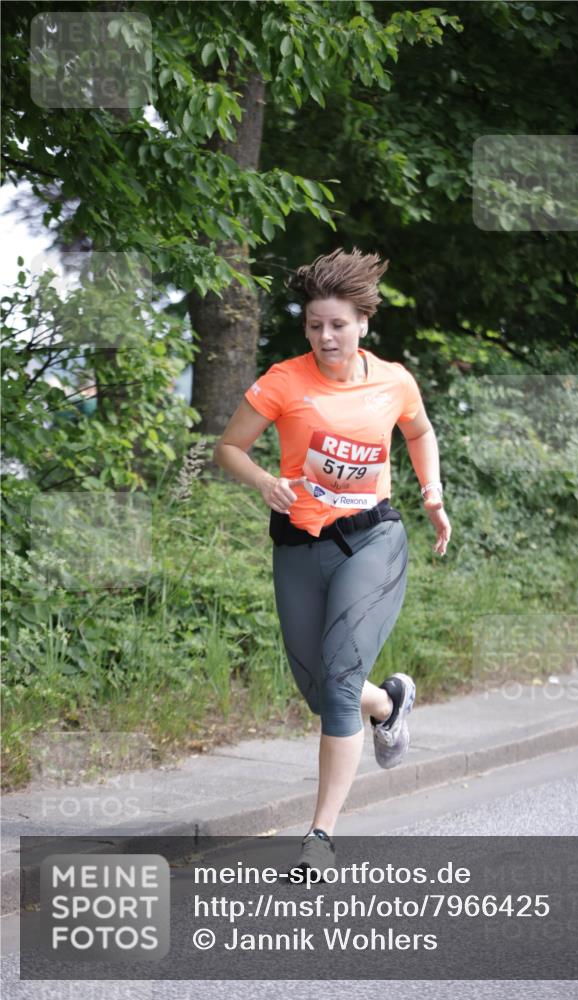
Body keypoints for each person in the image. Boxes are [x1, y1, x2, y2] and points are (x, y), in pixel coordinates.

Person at [213, 247, 451, 880]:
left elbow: (420, 432)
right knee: (320, 691)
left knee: (340, 681)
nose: (325, 337)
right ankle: (389, 704)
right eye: (314, 325)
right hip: (298, 544)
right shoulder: (283, 381)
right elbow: (229, 448)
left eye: (338, 325)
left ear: (363, 323)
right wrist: (265, 481)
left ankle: (319, 836)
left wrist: (431, 493)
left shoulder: (393, 381)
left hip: (372, 541)